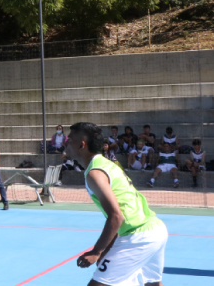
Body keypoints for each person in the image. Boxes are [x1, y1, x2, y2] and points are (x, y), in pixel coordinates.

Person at [67, 122, 167, 286]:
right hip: (156, 229)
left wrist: (96, 251)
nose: (66, 143)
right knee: (153, 284)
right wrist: (104, 252)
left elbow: (116, 216)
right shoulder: (107, 165)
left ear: (81, 145)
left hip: (138, 235)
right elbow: (117, 215)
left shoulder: (95, 173)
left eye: (69, 140)